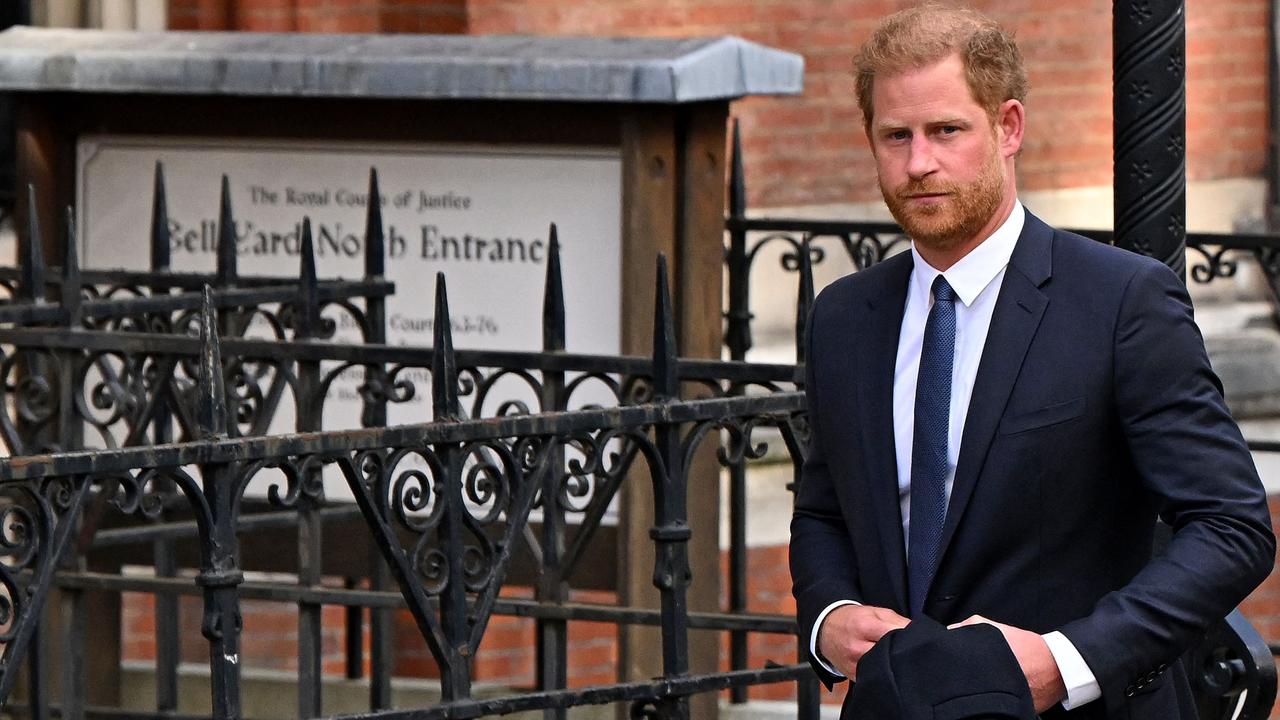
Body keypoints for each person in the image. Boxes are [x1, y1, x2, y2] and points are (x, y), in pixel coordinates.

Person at [788, 4, 1276, 719]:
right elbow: (824, 509)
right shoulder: (843, 317)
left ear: (1008, 127)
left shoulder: (1120, 303)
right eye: (897, 136)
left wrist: (1069, 660)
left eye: (947, 130)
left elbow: (1232, 526)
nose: (919, 162)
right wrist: (829, 618)